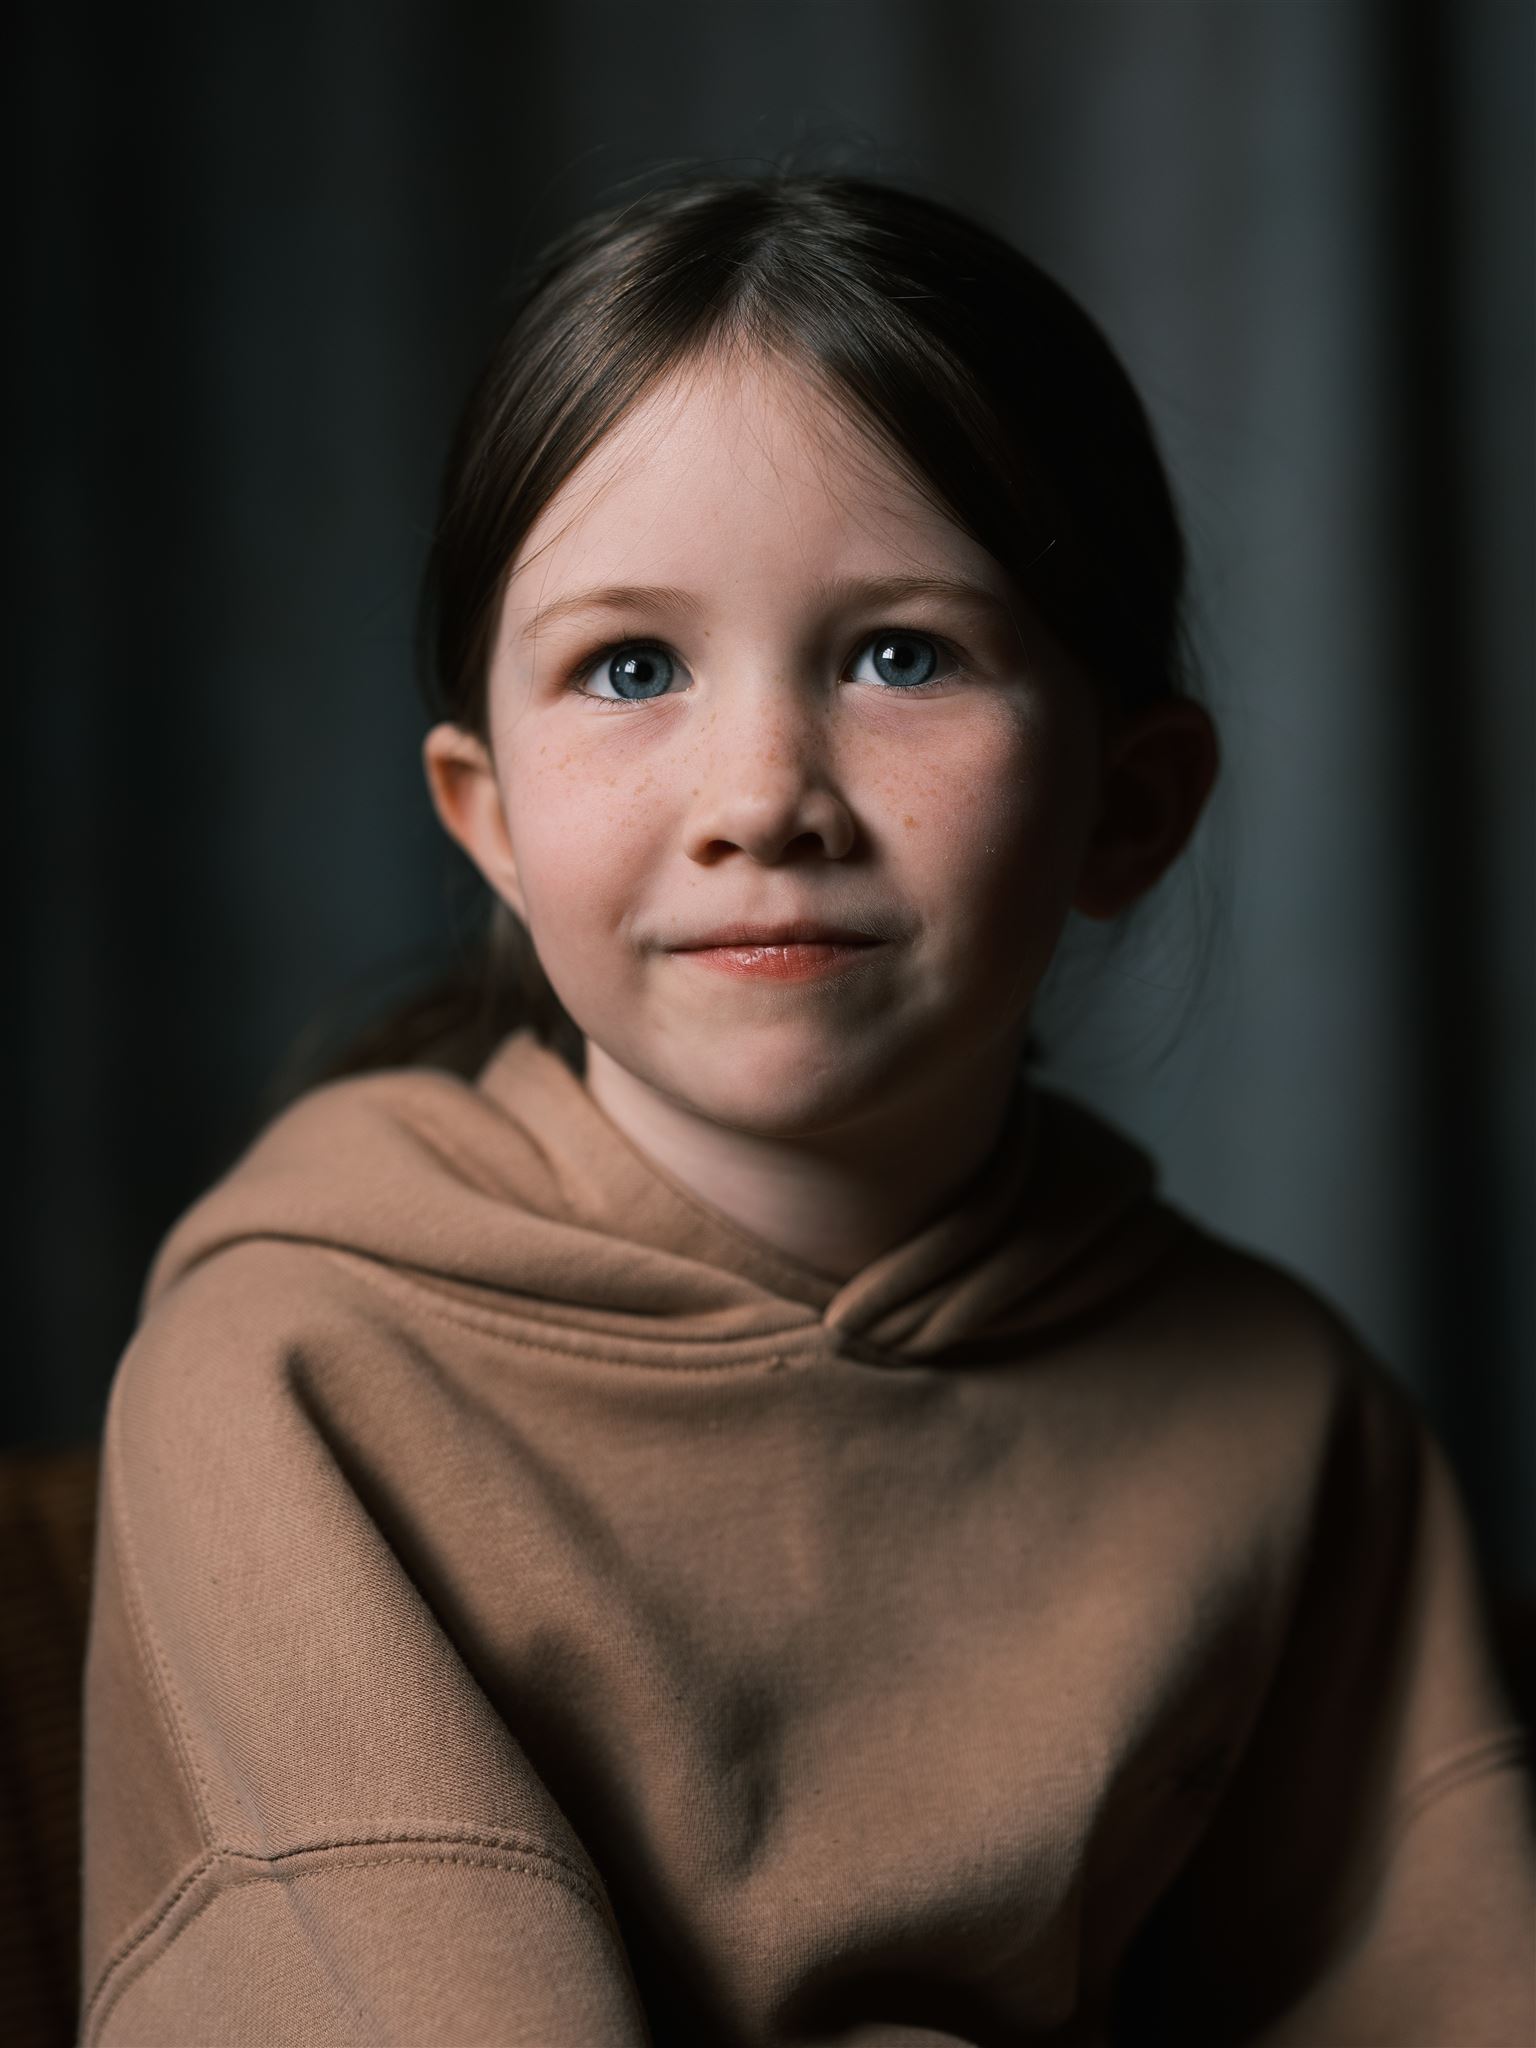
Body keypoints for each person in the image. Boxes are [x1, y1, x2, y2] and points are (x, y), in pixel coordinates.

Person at [78, 170, 1534, 2047]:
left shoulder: (1291, 1423)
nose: (763, 792)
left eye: (898, 655)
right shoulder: (291, 1376)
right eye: (630, 667)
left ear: (1128, 804)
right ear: (493, 819)